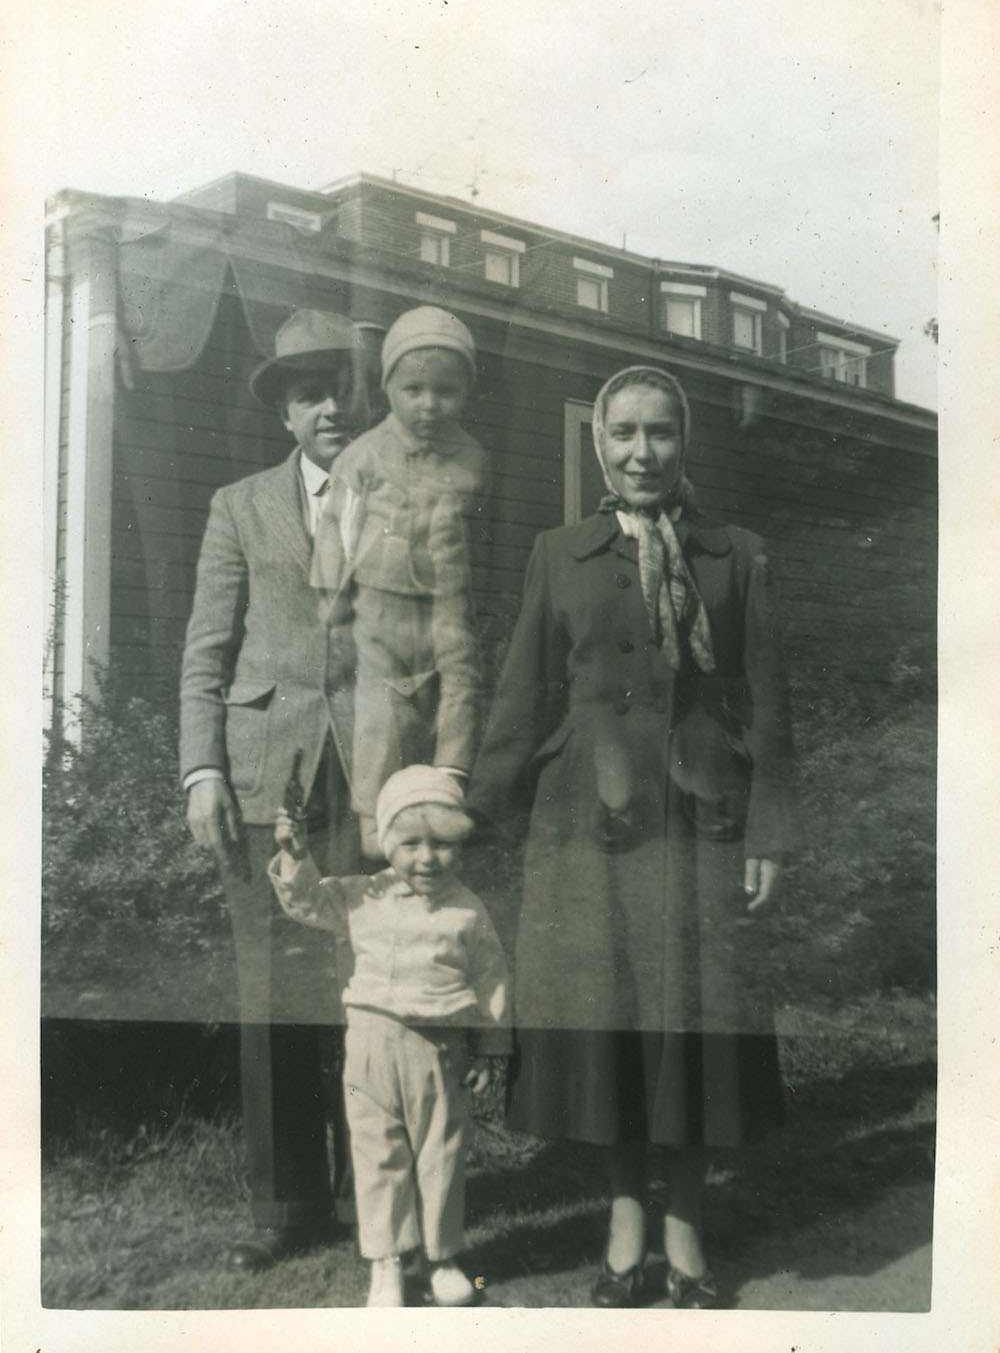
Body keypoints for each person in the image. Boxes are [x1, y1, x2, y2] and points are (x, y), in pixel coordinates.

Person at [467, 365, 797, 1309]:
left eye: (660, 433)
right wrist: (471, 815)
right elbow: (521, 696)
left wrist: (771, 829)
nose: (642, 452)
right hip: (587, 820)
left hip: (701, 820)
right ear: (599, 444)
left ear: (683, 443)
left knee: (692, 1023)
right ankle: (623, 1223)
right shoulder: (559, 552)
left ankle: (685, 1225)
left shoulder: (736, 555)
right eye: (624, 433)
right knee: (608, 1022)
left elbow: (769, 704)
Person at [180, 308, 370, 1270]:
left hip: (372, 775)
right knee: (274, 989)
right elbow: (206, 651)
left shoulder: (402, 500)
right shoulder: (240, 505)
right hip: (267, 776)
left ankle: (378, 1197)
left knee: (372, 986)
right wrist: (203, 768)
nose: (329, 406)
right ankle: (284, 1205)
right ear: (286, 414)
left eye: (341, 388)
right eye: (308, 394)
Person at [269, 764, 511, 1308]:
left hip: (440, 1050)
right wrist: (295, 854)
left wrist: (490, 1047)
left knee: (441, 1154)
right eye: (410, 844)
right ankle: (387, 1262)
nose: (426, 858)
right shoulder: (362, 895)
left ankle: (442, 1258)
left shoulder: (467, 910)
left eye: (442, 844)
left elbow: (492, 979)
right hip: (371, 1047)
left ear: (459, 845)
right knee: (378, 1154)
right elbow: (306, 903)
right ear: (385, 842)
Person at [311, 306, 488, 857]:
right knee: (379, 705)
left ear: (465, 393)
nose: (429, 404)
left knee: (458, 683)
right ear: (389, 387)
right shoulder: (363, 456)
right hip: (379, 603)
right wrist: (331, 600)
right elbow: (336, 530)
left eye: (445, 391)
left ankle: (449, 783)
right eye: (414, 390)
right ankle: (372, 814)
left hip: (447, 601)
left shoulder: (472, 459)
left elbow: (480, 534)